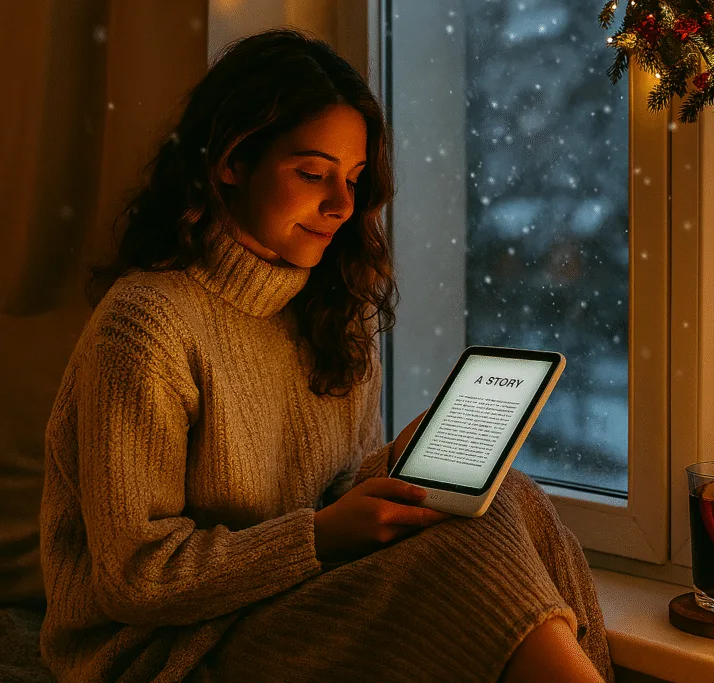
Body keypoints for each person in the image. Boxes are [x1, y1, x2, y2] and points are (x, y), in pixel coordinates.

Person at [38, 28, 612, 683]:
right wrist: (319, 536)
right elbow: (135, 577)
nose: (342, 205)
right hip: (164, 647)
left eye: (355, 178)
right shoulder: (145, 323)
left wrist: (389, 469)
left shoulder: (333, 308)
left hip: (279, 600)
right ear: (232, 161)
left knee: (506, 495)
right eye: (312, 173)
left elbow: (327, 497)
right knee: (466, 555)